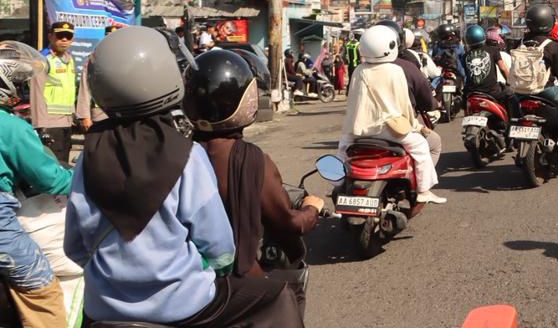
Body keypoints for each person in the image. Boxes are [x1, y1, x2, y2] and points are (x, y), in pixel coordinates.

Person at [65, 26, 303, 326]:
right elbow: (219, 247)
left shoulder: (88, 156)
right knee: (278, 296)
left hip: (104, 309)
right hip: (185, 305)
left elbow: (74, 247)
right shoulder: (186, 153)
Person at [183, 49, 323, 316]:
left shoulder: (181, 152)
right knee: (284, 303)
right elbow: (289, 224)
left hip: (189, 278)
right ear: (244, 101)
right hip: (239, 279)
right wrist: (312, 209)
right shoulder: (250, 159)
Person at [0, 41, 74, 326]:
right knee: (43, 290)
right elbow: (48, 178)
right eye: (19, 82)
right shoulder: (10, 126)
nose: (21, 90)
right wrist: (80, 179)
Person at [339, 25, 443, 206]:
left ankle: (339, 186)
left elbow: (352, 102)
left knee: (342, 151)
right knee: (420, 147)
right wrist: (415, 126)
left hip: (357, 130)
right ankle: (424, 190)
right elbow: (403, 105)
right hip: (390, 131)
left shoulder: (358, 71)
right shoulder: (396, 71)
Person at [509, 4, 558, 149]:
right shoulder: (551, 45)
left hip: (520, 91)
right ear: (549, 22)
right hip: (543, 90)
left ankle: (513, 137)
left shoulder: (519, 43)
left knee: (513, 108)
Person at [33, 20, 93, 163]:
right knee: (53, 165)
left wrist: (74, 116)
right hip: (49, 124)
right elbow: (36, 95)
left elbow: (69, 90)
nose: (64, 40)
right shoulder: (42, 60)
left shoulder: (69, 59)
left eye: (68, 36)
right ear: (50, 36)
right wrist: (41, 127)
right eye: (60, 36)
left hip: (66, 123)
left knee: (64, 163)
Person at [463, 23, 509, 97]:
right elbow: (503, 68)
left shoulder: (465, 56)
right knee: (511, 96)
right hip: (492, 92)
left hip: (472, 93)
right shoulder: (493, 50)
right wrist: (509, 82)